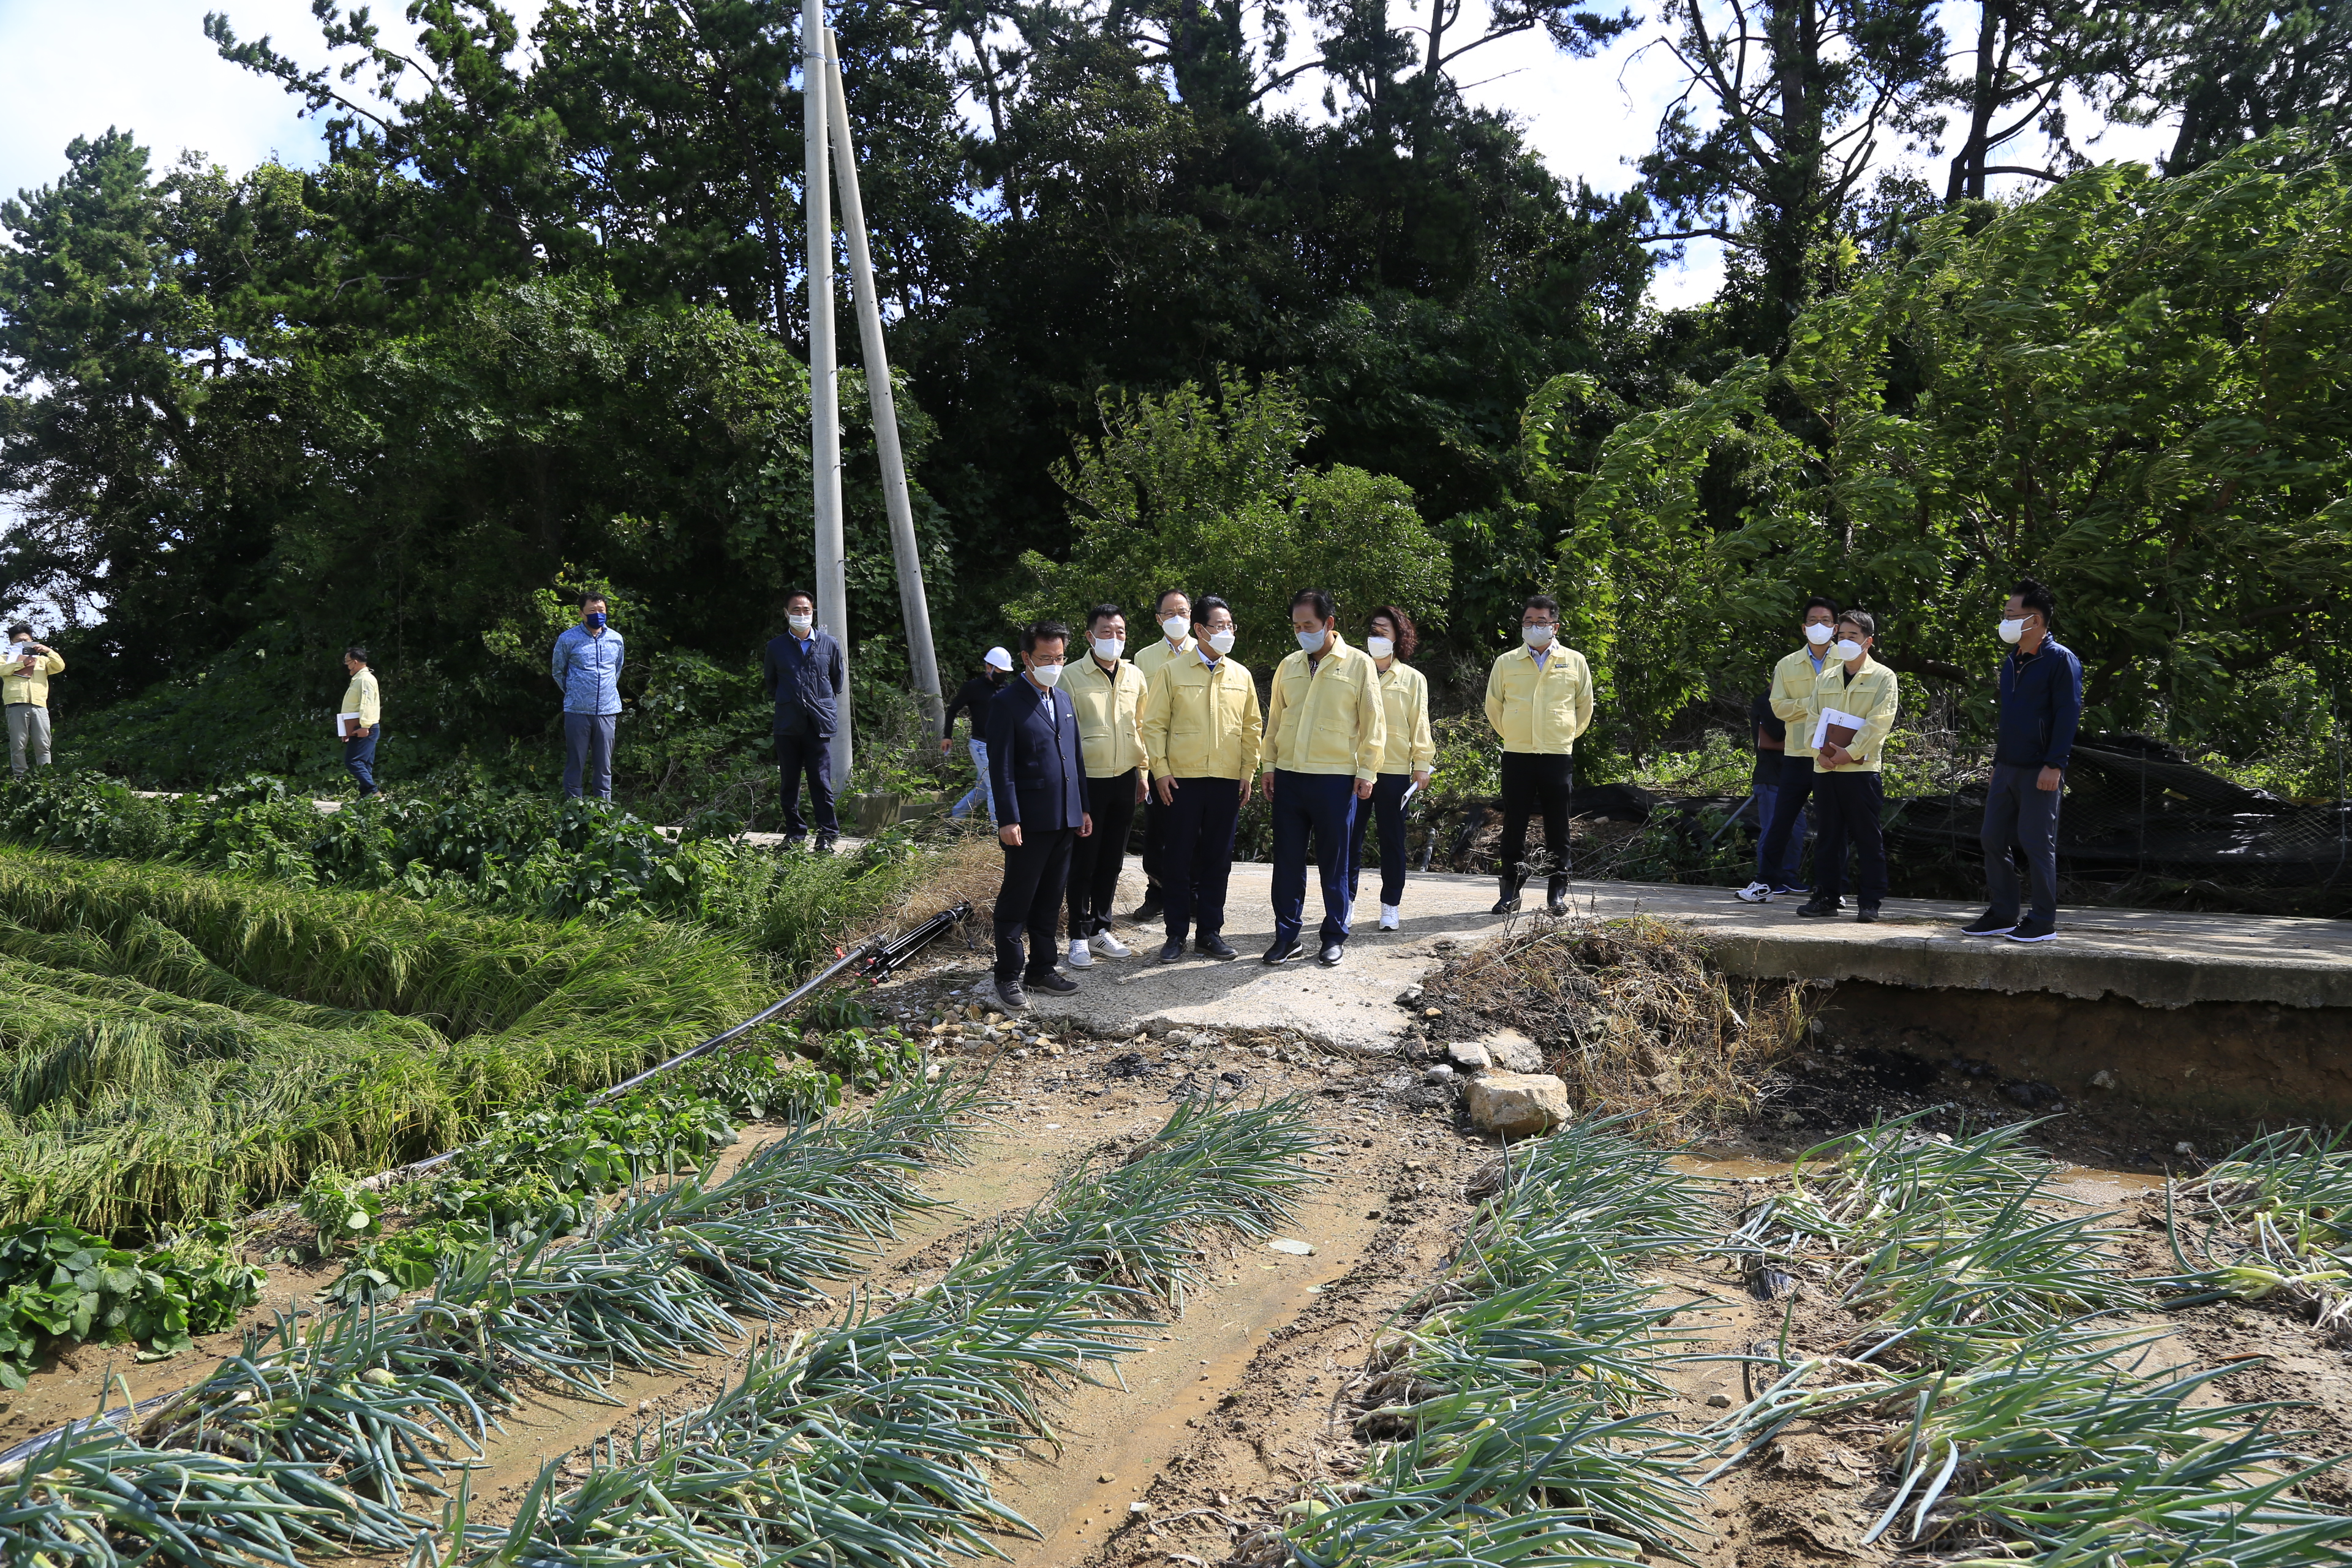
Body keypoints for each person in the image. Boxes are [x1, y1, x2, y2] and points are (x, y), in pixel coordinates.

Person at [1261, 589, 1384, 967]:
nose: (1302, 632)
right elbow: (1276, 721)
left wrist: (1367, 771)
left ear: (1329, 624)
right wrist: (1269, 765)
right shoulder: (1289, 665)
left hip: (1335, 781)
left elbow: (1374, 723)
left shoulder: (1358, 664)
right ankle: (1287, 936)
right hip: (1290, 778)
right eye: (1296, 626)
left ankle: (1334, 935)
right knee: (1287, 863)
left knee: (1334, 862)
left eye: (1309, 625)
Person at [1139, 596, 1260, 963]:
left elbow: (1252, 728)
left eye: (1230, 626)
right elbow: (1154, 725)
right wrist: (1160, 771)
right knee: (1176, 859)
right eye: (1218, 626)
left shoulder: (1241, 675)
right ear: (1200, 630)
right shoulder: (1172, 672)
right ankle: (1176, 934)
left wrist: (1247, 772)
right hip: (1181, 783)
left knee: (1217, 860)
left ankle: (1210, 932)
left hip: (1226, 781)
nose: (1226, 633)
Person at [1966, 577, 2081, 944]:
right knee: (1992, 838)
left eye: (2011, 615)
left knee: (2035, 843)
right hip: (2008, 768)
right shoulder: (2011, 661)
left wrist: (2055, 764)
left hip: (2040, 769)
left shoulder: (2060, 660)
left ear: (2034, 620)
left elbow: (2068, 714)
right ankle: (2002, 913)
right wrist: (1998, 763)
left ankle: (2043, 921)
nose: (2005, 621)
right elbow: (2010, 719)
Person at [986, 622, 1091, 1010]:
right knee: (1018, 899)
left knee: (1051, 899)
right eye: (1046, 658)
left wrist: (1082, 808)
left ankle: (1042, 969)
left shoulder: (1063, 700)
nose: (1054, 664)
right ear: (1027, 658)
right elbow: (1003, 769)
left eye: (1060, 657)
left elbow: (1075, 760)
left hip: (1064, 818)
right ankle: (1008, 973)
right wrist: (1008, 818)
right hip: (1027, 823)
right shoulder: (1006, 703)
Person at [1482, 595, 1593, 916]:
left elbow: (1584, 707)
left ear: (1555, 627)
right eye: (1529, 622)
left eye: (1541, 622)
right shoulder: (1506, 662)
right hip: (1517, 754)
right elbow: (1494, 706)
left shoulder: (1575, 662)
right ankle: (1510, 893)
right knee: (1514, 824)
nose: (1534, 627)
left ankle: (1556, 894)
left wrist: (1564, 736)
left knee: (1558, 825)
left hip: (1557, 755)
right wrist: (1515, 734)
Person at [1797, 611, 1899, 923]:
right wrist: (1819, 753)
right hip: (1825, 769)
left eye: (1852, 637)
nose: (1845, 642)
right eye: (1841, 636)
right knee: (1828, 836)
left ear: (1868, 641)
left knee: (1867, 837)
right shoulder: (1826, 676)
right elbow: (1813, 717)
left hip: (1861, 771)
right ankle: (1826, 895)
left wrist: (1851, 752)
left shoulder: (1884, 677)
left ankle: (1870, 902)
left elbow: (1880, 722)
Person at [1064, 605, 1150, 970]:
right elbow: (1063, 736)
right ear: (1089, 636)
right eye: (1106, 632)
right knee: (1084, 860)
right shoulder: (1070, 676)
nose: (1113, 638)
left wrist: (1144, 772)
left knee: (1113, 860)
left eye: (1120, 632)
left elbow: (1142, 727)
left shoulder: (1135, 676)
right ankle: (1078, 936)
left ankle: (1102, 927)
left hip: (1126, 778)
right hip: (1089, 781)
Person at [1740, 597, 1839, 903]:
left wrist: (1808, 707)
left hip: (1835, 754)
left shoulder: (1849, 661)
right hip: (1795, 754)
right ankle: (1766, 882)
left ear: (1835, 627)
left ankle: (1832, 889)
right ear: (1803, 627)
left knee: (1834, 823)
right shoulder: (1786, 664)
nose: (1818, 626)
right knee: (1781, 822)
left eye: (1825, 620)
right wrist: (1815, 705)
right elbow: (1778, 708)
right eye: (1812, 621)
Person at [1351, 606, 1436, 932]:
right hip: (1357, 769)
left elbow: (1420, 725)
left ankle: (1391, 905)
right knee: (1350, 839)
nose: (1376, 638)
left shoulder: (1413, 679)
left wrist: (1422, 765)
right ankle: (1346, 903)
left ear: (1398, 637)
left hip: (1395, 771)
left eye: (1383, 632)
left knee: (1392, 839)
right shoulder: (1356, 671)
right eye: (1373, 631)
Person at [1129, 589, 1194, 924]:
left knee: (1194, 833)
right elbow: (1140, 716)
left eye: (1182, 611)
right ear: (1158, 619)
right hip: (1158, 762)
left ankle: (1192, 898)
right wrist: (1148, 765)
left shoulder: (1205, 651)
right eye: (1170, 613)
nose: (1177, 618)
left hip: (1196, 762)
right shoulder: (1144, 658)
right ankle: (1156, 894)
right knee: (1157, 834)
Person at [763, 588, 846, 851]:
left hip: (819, 723)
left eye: (806, 610)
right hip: (787, 724)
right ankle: (795, 834)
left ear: (813, 612)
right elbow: (771, 684)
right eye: (796, 610)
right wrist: (792, 701)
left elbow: (837, 682)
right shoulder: (775, 647)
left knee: (820, 782)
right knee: (789, 782)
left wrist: (815, 702)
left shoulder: (829, 644)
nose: (802, 614)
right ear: (786, 614)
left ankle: (827, 836)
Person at [552, 592, 624, 800]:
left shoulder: (616, 639)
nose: (597, 614)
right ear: (581, 613)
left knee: (604, 767)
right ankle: (574, 812)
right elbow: (558, 671)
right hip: (577, 710)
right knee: (576, 763)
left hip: (607, 710)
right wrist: (576, 691)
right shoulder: (568, 639)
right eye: (592, 611)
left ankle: (604, 813)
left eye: (601, 610)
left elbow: (616, 670)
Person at [943, 647, 1016, 821]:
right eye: (999, 670)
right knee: (996, 788)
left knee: (983, 790)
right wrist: (947, 735)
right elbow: (953, 709)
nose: (1002, 675)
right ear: (988, 667)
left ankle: (954, 817)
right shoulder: (973, 688)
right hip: (981, 745)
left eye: (1005, 672)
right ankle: (997, 831)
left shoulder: (1007, 689)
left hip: (999, 746)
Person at [4, 624, 64, 779]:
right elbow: (2, 670)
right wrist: (21, 664)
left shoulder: (43, 661)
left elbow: (60, 667)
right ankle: (20, 777)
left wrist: (48, 651)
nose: (23, 643)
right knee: (18, 744)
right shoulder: (5, 658)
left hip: (39, 705)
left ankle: (46, 777)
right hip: (16, 704)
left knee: (43, 744)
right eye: (19, 641)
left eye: (26, 640)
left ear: (32, 640)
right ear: (11, 642)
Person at [339, 646, 382, 797]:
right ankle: (366, 797)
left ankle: (373, 791)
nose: (346, 665)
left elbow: (367, 704)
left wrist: (365, 726)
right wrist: (346, 730)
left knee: (354, 762)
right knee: (364, 764)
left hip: (366, 727)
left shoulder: (365, 679)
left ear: (355, 662)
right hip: (358, 727)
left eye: (347, 662)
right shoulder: (359, 679)